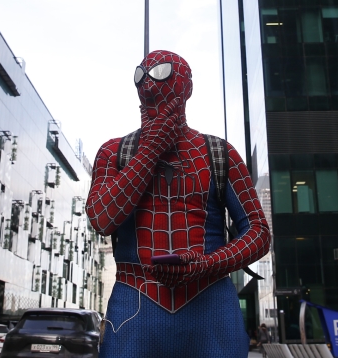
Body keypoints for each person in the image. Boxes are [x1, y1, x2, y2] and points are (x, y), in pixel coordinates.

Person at [86, 50, 271, 358]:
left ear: (186, 87)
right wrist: (150, 150)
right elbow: (102, 219)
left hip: (208, 300)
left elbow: (259, 232)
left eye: (159, 73)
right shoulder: (113, 152)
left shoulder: (219, 153)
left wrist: (208, 264)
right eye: (140, 76)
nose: (147, 85)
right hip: (136, 299)